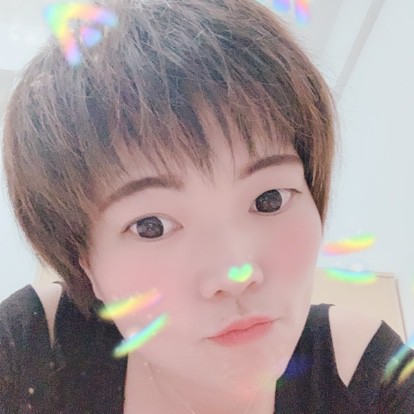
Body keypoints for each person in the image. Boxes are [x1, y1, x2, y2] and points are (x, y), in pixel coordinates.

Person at [1, 0, 413, 412]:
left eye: (268, 200)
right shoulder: (32, 347)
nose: (237, 274)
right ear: (85, 262)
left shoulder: (362, 368)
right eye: (151, 225)